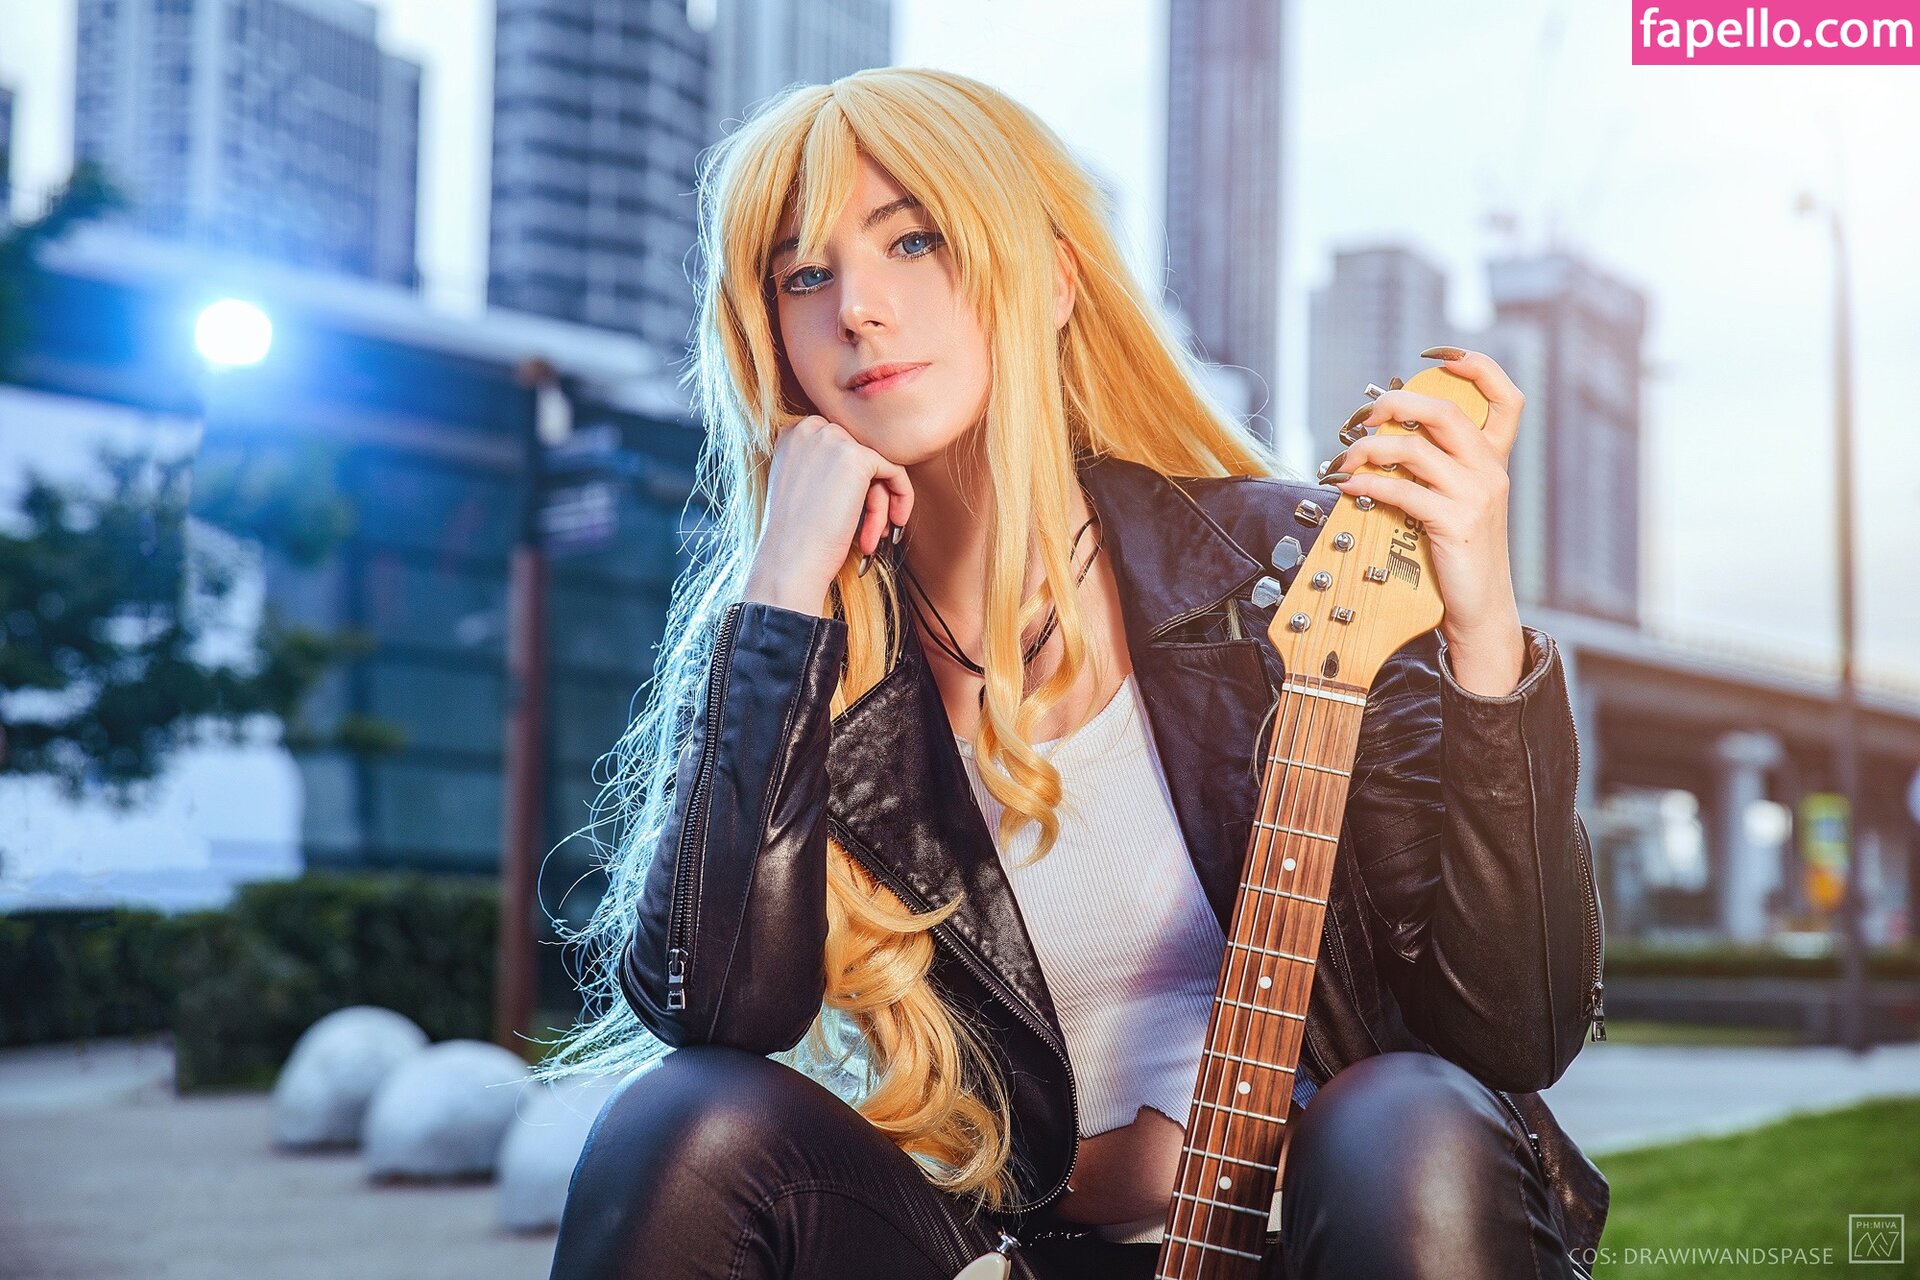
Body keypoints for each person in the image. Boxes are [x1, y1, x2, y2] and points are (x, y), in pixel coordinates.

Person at [539, 67, 1608, 1280]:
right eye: (805, 275)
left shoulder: (1293, 572)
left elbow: (1513, 1029)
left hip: (1323, 1240)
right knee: (685, 1126)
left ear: (1052, 281)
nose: (860, 310)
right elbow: (718, 1012)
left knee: (1408, 1122)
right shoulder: (792, 650)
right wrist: (781, 587)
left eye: (915, 241)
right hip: (1009, 1252)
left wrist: (1484, 643)